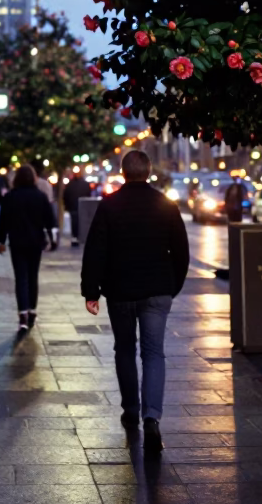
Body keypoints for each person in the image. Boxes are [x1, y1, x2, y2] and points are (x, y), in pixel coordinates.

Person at [81, 150, 189, 455]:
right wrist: (173, 286)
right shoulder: (165, 205)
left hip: (120, 291)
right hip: (157, 290)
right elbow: (181, 252)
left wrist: (91, 291)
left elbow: (95, 251)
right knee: (154, 353)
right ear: (149, 171)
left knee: (125, 350)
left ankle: (130, 409)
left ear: (123, 172)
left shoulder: (110, 205)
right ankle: (151, 416)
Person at [0, 165, 56, 330]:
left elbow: (3, 221)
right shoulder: (40, 196)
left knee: (21, 278)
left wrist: (1, 241)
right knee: (32, 277)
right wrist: (53, 239)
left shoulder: (10, 197)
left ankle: (22, 313)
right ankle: (32, 311)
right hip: (36, 243)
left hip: (17, 242)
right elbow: (49, 220)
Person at [64, 174, 93, 246]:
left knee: (74, 222)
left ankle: (75, 238)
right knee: (82, 222)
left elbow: (65, 195)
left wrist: (67, 205)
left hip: (73, 206)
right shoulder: (85, 184)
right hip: (82, 207)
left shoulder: (70, 184)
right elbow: (89, 194)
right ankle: (81, 237)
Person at [36, 172, 59, 249]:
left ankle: (48, 241)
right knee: (48, 226)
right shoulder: (45, 183)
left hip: (43, 206)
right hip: (47, 205)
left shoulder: (39, 183)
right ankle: (51, 241)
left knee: (44, 226)